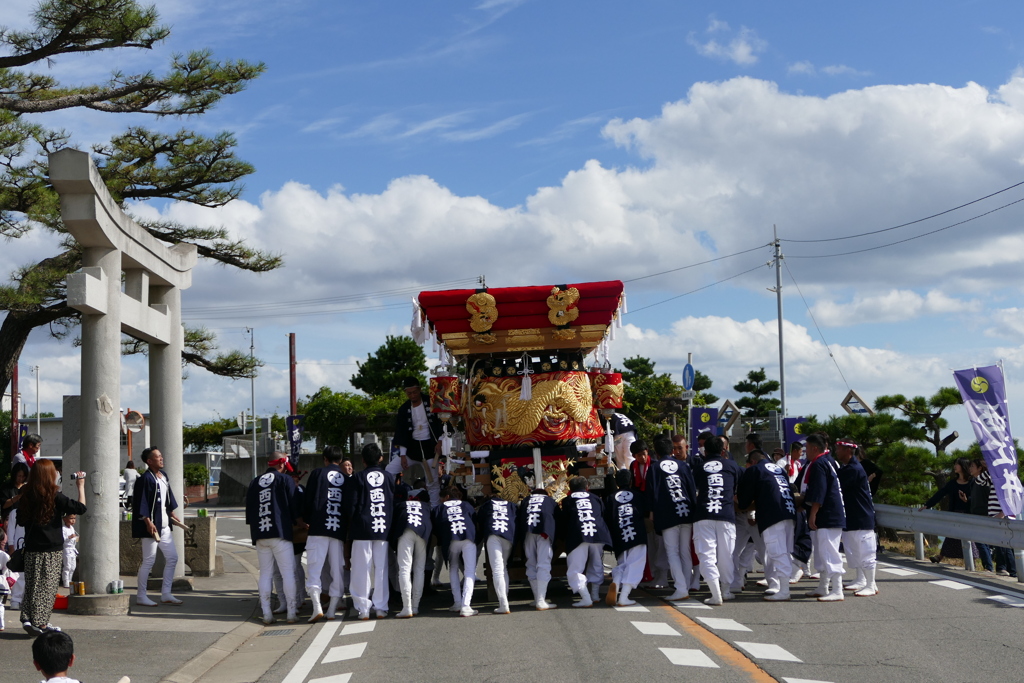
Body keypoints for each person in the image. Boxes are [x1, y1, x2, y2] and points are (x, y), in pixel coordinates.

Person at [17, 459, 86, 635]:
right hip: (51, 549)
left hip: (32, 549)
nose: (57, 474)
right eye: (54, 471)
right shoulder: (54, 496)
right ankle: (41, 624)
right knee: (47, 588)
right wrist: (80, 485)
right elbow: (80, 508)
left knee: (32, 585)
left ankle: (28, 618)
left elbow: (20, 519)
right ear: (48, 475)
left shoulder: (26, 494)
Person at [737, 446, 797, 601]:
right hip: (789, 512)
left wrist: (737, 499)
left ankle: (784, 590)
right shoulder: (779, 469)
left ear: (753, 461)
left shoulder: (755, 470)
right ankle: (782, 586)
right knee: (784, 551)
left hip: (773, 514)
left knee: (776, 552)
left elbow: (743, 501)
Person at [246, 454, 300, 625]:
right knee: (288, 573)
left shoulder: (255, 481)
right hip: (280, 532)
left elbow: (249, 512)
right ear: (282, 464)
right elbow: (294, 505)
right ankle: (291, 612)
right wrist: (300, 523)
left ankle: (267, 613)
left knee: (265, 574)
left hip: (260, 534)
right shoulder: (285, 479)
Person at [346, 443, 395, 620]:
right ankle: (381, 607)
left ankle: (363, 608)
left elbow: (351, 505)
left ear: (363, 460)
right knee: (381, 568)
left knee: (361, 568)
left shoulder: (358, 477)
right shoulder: (389, 477)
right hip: (383, 528)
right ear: (381, 458)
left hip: (362, 528)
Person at [692, 436, 742, 605]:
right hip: (726, 515)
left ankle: (715, 593)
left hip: (704, 515)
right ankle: (725, 590)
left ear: (705, 451)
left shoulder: (699, 468)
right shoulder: (733, 466)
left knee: (707, 555)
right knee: (726, 555)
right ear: (723, 451)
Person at [646, 435, 697, 601]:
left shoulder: (654, 468)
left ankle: (681, 588)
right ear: (672, 450)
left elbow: (651, 493)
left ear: (656, 452)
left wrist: (652, 513)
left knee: (672, 552)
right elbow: (691, 488)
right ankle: (686, 586)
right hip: (686, 511)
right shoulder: (682, 465)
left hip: (667, 514)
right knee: (685, 551)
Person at [132, 447, 183, 607]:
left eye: (161, 456)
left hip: (165, 525)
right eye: (158, 457)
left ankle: (166, 593)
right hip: (152, 527)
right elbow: (141, 503)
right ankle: (141, 596)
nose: (161, 458)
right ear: (149, 461)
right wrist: (147, 522)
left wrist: (171, 512)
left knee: (173, 558)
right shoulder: (145, 479)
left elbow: (167, 498)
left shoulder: (163, 476)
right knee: (149, 561)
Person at [303, 445, 348, 623]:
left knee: (314, 568)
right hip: (338, 529)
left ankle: (316, 607)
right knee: (337, 570)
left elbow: (308, 499)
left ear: (325, 459)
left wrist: (306, 518)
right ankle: (332, 610)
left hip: (318, 528)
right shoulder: (346, 478)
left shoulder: (317, 474)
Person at [802, 433, 846, 602]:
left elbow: (819, 492)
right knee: (823, 552)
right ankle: (823, 586)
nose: (805, 451)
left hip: (828, 514)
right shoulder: (829, 460)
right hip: (832, 512)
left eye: (806, 448)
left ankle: (837, 589)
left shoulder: (820, 463)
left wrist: (812, 514)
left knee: (830, 552)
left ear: (814, 448)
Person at [561, 476, 613, 608]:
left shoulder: (568, 499)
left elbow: (564, 519)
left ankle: (586, 598)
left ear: (570, 489)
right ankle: (595, 595)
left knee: (575, 569)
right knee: (596, 564)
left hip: (578, 534)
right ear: (587, 487)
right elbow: (603, 514)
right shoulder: (595, 498)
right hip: (598, 532)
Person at [835, 440, 878, 596]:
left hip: (861, 517)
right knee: (854, 551)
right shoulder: (848, 468)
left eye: (839, 449)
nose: (837, 451)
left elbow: (835, 481)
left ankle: (871, 584)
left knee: (866, 552)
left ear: (848, 451)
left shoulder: (853, 469)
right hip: (852, 516)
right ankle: (861, 579)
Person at [391, 377, 443, 506]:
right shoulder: (404, 409)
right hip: (411, 448)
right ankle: (390, 500)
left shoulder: (431, 402)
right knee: (390, 470)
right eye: (409, 393)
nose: (412, 395)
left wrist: (440, 441)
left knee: (433, 481)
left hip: (430, 446)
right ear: (405, 393)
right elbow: (401, 432)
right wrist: (402, 454)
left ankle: (434, 509)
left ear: (419, 389)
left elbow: (441, 423)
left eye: (415, 392)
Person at [432, 486, 478, 616]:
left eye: (441, 498)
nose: (440, 500)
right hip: (468, 537)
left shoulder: (439, 508)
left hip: (450, 539)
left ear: (446, 497)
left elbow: (436, 527)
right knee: (469, 571)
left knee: (453, 567)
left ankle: (457, 602)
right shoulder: (466, 505)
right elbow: (474, 520)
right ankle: (466, 605)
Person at [605, 469, 647, 606]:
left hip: (620, 536)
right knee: (635, 564)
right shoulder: (639, 495)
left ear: (617, 483)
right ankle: (624, 597)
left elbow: (608, 519)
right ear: (630, 481)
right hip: (637, 534)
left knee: (623, 564)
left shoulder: (610, 498)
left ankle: (616, 582)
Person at [921, 458, 972, 564]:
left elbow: (978, 498)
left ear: (963, 466)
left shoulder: (973, 482)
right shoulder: (953, 483)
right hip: (955, 513)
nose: (955, 466)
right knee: (951, 535)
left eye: (957, 464)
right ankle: (941, 556)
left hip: (969, 514)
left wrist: (967, 500)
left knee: (969, 538)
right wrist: (927, 505)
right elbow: (940, 494)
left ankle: (973, 562)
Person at [730, 450, 766, 594]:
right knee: (733, 550)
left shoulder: (754, 471)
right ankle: (736, 582)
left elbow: (753, 495)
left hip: (752, 516)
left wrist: (751, 513)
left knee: (763, 551)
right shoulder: (741, 471)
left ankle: (774, 582)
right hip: (740, 516)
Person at [392, 489, 432, 618]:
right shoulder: (426, 506)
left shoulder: (400, 505)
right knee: (419, 569)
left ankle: (406, 607)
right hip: (422, 531)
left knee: (404, 569)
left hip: (405, 531)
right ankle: (415, 606)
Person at [476, 492, 517, 614]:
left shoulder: (486, 505)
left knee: (497, 570)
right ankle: (505, 598)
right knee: (503, 567)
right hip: (509, 536)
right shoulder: (511, 505)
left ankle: (503, 603)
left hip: (493, 535)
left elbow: (480, 521)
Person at [517, 486, 557, 610]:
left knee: (531, 563)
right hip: (544, 532)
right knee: (543, 564)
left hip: (528, 532)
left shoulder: (526, 500)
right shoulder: (550, 500)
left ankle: (537, 598)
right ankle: (540, 600)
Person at [60, 514, 78, 588]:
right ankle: (66, 581)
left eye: (74, 518)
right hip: (66, 549)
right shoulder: (63, 529)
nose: (73, 520)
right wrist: (69, 537)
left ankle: (70, 580)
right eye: (71, 518)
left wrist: (76, 538)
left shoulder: (72, 528)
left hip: (72, 549)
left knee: (73, 566)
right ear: (65, 519)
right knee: (67, 566)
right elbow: (62, 539)